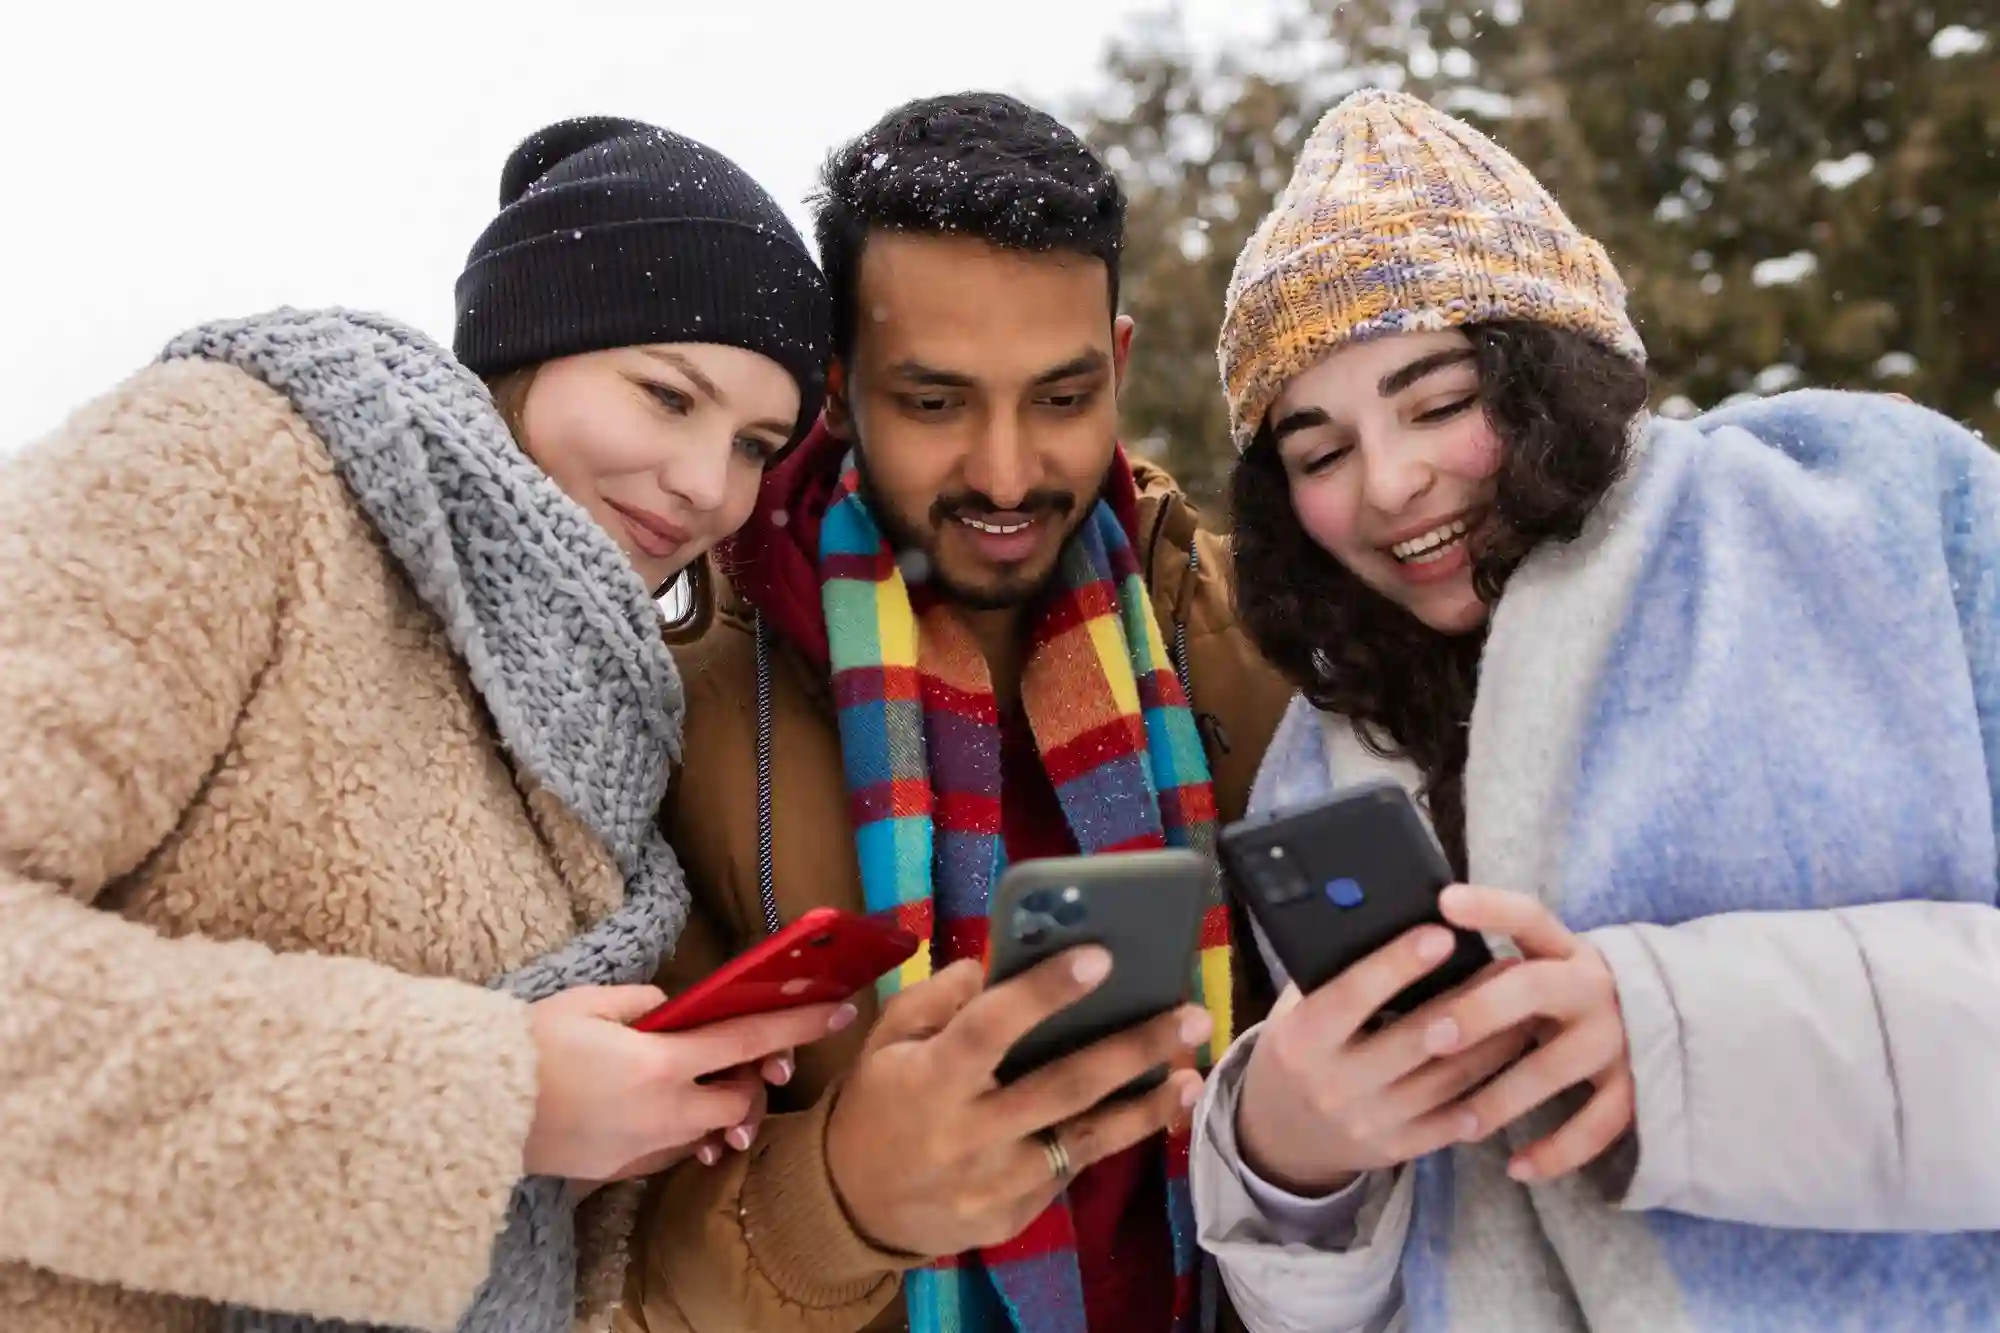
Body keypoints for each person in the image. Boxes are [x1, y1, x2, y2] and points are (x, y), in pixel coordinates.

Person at [0, 117, 848, 1333]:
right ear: (529, 343)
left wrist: (605, 1140)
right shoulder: (239, 468)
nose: (706, 485)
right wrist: (493, 1102)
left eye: (754, 445)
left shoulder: (608, 707)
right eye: (667, 396)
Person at [1191, 87, 2000, 1333]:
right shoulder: (1317, 757)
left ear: (1547, 372)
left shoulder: (1864, 514)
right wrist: (1283, 1167)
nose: (1389, 481)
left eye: (1436, 401)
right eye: (1318, 452)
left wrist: (1685, 1043)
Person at [615, 92, 1294, 1333]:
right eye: (933, 403)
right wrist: (838, 1199)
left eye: (1060, 398)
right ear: (837, 387)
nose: (1004, 469)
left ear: (1118, 365)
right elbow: (599, 1263)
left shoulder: (1249, 634)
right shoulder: (680, 712)